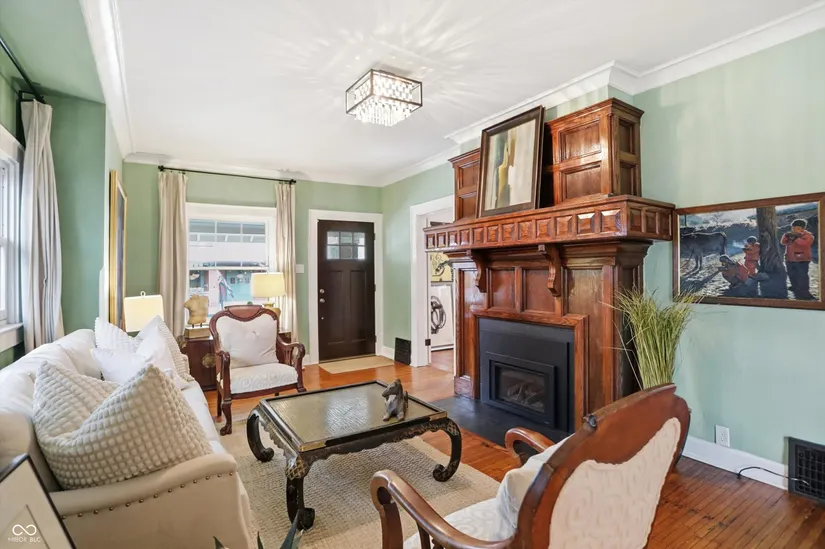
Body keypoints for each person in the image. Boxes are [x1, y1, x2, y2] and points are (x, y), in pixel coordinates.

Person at [781, 218, 815, 300]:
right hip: (789, 259)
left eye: (795, 228)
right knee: (791, 274)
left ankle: (805, 292)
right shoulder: (791, 235)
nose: (793, 229)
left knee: (802, 276)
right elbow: (783, 242)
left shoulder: (808, 235)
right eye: (792, 228)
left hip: (802, 260)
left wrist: (795, 238)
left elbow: (805, 244)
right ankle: (795, 287)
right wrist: (786, 236)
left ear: (802, 228)